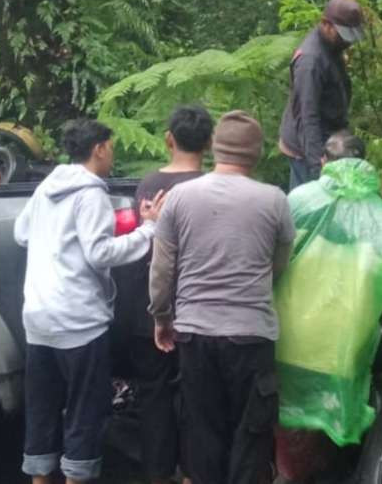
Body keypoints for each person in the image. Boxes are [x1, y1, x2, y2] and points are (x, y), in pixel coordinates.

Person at [273, 130, 382, 481]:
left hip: (292, 336)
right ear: (365, 164)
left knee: (288, 420)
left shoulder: (298, 200)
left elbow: (268, 261)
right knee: (330, 428)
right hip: (344, 345)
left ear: (324, 162)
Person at [14, 119, 166, 484]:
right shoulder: (91, 193)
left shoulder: (47, 187)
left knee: (43, 406)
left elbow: (20, 234)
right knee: (86, 409)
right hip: (78, 319)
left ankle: (39, 478)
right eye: (110, 147)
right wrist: (148, 230)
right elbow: (100, 253)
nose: (112, 154)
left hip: (37, 313)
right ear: (98, 148)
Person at [149, 110, 295, 484]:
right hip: (251, 335)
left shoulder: (180, 197)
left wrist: (162, 318)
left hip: (195, 334)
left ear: (216, 148)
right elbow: (277, 267)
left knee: (202, 432)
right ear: (256, 153)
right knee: (251, 436)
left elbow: (162, 269)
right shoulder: (275, 200)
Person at [113, 104, 213, 484]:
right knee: (196, 397)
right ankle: (192, 471)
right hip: (197, 306)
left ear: (168, 139)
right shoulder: (210, 188)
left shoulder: (149, 184)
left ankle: (157, 473)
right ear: (209, 142)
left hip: (147, 306)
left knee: (153, 395)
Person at [279, 0, 364, 189]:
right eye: (343, 35)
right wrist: (318, 168)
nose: (347, 42)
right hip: (308, 149)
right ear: (326, 24)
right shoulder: (311, 62)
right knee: (309, 210)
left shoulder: (331, 48)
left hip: (332, 143)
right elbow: (308, 117)